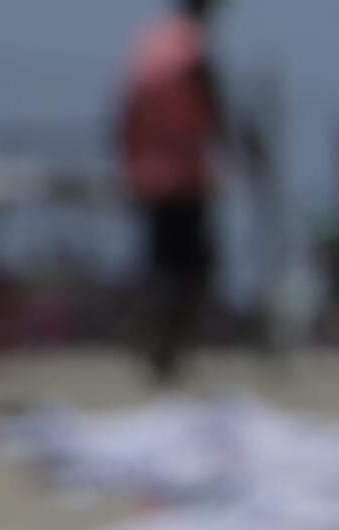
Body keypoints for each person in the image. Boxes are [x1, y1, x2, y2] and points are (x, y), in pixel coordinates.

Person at [117, 0, 253, 383]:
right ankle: (168, 351)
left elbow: (126, 113)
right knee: (192, 269)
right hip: (185, 176)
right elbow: (215, 108)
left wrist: (129, 164)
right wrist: (239, 147)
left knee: (161, 266)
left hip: (147, 173)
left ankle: (157, 349)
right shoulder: (192, 49)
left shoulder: (148, 45)